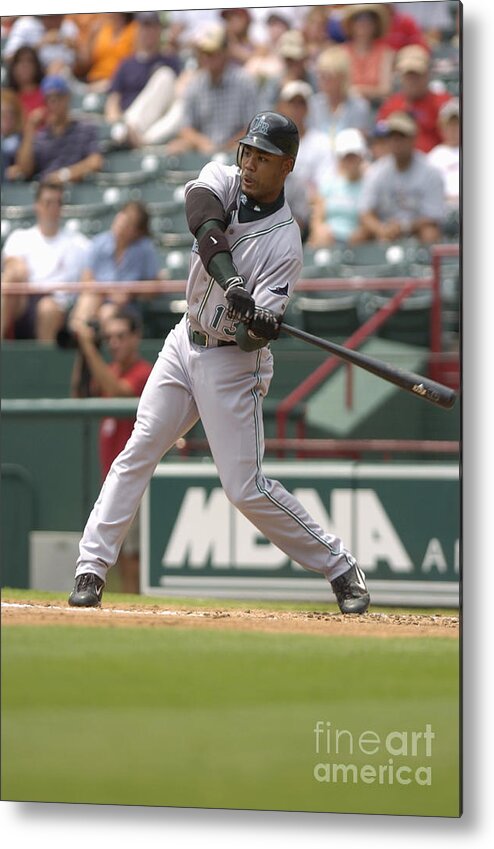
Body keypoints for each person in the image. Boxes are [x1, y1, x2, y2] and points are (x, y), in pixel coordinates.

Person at [67, 110, 370, 615]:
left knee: (244, 488)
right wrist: (233, 284)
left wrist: (260, 322)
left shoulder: (285, 244)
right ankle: (91, 569)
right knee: (137, 452)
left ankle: (340, 566)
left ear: (287, 166)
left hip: (232, 364)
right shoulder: (223, 180)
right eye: (248, 152)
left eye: (264, 157)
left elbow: (252, 341)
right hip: (183, 343)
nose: (250, 163)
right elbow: (202, 219)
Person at [70, 308, 153, 594]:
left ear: (136, 337)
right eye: (109, 338)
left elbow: (118, 391)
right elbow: (79, 394)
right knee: (111, 559)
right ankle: (116, 612)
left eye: (120, 336)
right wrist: (85, 350)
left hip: (137, 481)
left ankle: (136, 613)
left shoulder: (145, 372)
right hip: (111, 479)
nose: (114, 343)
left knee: (132, 557)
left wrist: (88, 349)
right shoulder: (112, 369)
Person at [1, 180, 90, 341]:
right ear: (38, 205)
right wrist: (17, 268)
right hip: (23, 302)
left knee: (47, 307)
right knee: (11, 277)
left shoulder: (79, 243)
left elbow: (89, 278)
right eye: (48, 203)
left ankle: (44, 363)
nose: (53, 208)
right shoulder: (20, 237)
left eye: (58, 203)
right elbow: (11, 266)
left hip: (58, 306)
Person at [168, 23, 259, 155]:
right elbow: (185, 128)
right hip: (203, 152)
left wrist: (225, 147)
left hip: (237, 151)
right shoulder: (195, 84)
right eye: (203, 52)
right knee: (175, 148)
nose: (206, 58)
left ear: (225, 52)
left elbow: (252, 128)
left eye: (212, 52)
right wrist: (201, 142)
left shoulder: (244, 82)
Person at [68, 201, 159, 330]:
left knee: (107, 314)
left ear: (137, 232)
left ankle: (82, 338)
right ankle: (80, 334)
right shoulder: (99, 242)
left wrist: (131, 294)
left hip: (127, 307)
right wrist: (109, 292)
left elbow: (154, 286)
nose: (122, 223)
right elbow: (86, 279)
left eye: (130, 222)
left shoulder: (145, 249)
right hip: (97, 298)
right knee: (88, 300)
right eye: (122, 215)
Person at [358, 110, 445, 243]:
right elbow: (365, 213)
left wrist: (405, 227)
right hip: (386, 228)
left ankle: (428, 263)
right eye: (392, 137)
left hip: (416, 230)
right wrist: (381, 229)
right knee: (359, 236)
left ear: (413, 139)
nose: (396, 142)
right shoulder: (377, 171)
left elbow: (433, 216)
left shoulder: (430, 171)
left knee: (430, 232)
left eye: (401, 137)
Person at [104, 11, 182, 148]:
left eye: (152, 27)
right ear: (137, 30)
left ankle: (139, 140)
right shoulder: (126, 64)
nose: (148, 32)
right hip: (129, 118)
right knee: (165, 75)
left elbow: (180, 93)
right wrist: (116, 121)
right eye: (145, 27)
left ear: (159, 30)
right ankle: (129, 131)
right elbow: (112, 102)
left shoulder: (170, 60)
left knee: (166, 77)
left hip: (157, 124)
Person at [13, 74, 103, 183]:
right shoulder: (41, 136)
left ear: (67, 98)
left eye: (57, 98)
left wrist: (64, 175)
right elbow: (25, 170)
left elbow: (95, 162)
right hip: (45, 191)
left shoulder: (85, 129)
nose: (52, 104)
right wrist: (29, 129)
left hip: (75, 189)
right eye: (48, 99)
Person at [376, 44, 451, 153]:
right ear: (400, 77)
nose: (413, 81)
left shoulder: (442, 104)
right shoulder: (390, 106)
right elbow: (381, 144)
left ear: (427, 75)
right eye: (408, 75)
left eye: (417, 75)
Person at [309, 127, 369, 247]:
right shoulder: (328, 183)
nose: (349, 161)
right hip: (328, 240)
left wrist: (362, 234)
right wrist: (320, 231)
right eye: (346, 157)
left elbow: (369, 220)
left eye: (353, 156)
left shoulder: (369, 184)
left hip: (357, 244)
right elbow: (317, 217)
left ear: (361, 157)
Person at [307, 45, 372, 145]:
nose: (321, 81)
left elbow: (360, 144)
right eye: (320, 75)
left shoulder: (359, 107)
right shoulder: (313, 104)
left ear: (341, 77)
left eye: (327, 76)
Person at [340, 4, 395, 105]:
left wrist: (358, 91)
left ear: (375, 24)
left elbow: (386, 89)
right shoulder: (342, 52)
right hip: (348, 108)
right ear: (351, 24)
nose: (364, 22)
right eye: (358, 18)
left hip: (375, 107)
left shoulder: (386, 53)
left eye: (369, 18)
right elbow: (339, 86)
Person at [77, 12, 137, 91]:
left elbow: (136, 62)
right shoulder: (102, 28)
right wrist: (90, 38)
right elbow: (85, 61)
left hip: (119, 82)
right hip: (93, 80)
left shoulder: (134, 29)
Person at [427, 97, 460, 210]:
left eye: (457, 124)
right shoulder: (434, 156)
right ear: (442, 127)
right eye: (450, 125)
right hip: (444, 207)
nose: (454, 129)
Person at [5, 45, 46, 121]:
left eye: (29, 61)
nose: (25, 65)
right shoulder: (6, 98)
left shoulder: (47, 93)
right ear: (13, 68)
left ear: (36, 66)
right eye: (19, 62)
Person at [1, 89, 24, 182]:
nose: (7, 118)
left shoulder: (24, 139)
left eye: (11, 113)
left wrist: (20, 169)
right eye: (2, 114)